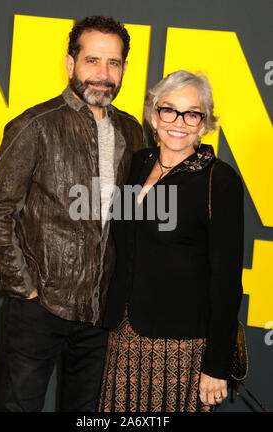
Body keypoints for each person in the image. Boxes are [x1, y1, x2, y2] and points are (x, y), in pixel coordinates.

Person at [0, 15, 145, 412]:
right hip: (40, 310)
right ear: (71, 64)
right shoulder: (35, 125)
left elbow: (131, 217)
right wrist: (25, 288)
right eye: (93, 61)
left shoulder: (132, 131)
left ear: (123, 69)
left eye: (114, 63)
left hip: (100, 317)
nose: (103, 75)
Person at [98, 70, 244, 412]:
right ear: (154, 115)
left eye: (192, 113)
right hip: (124, 337)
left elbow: (226, 282)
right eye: (169, 110)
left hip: (182, 348)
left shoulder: (218, 180)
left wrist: (215, 366)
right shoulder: (136, 164)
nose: (179, 122)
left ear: (204, 123)